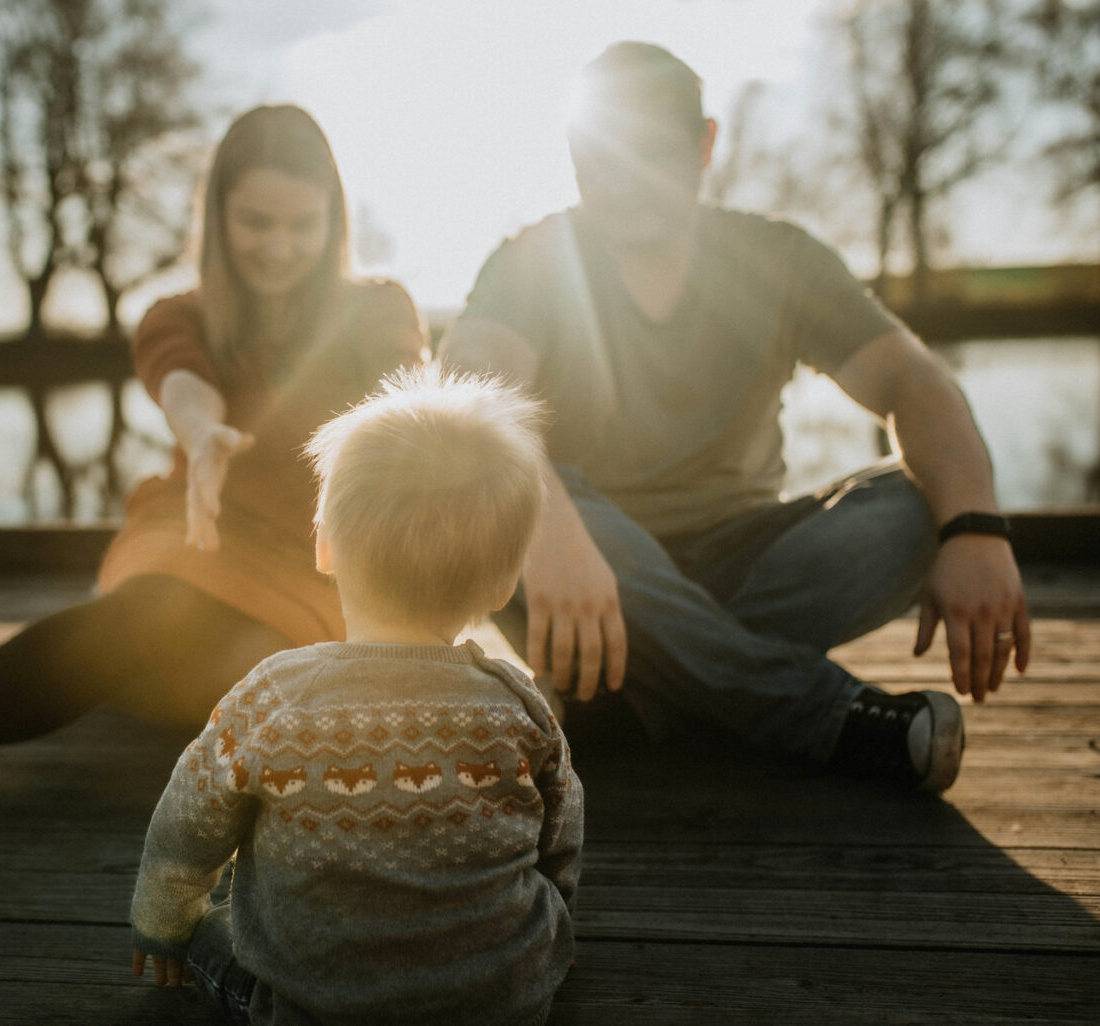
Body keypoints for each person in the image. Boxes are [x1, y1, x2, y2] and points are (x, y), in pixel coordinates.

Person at [0, 104, 426, 867]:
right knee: (160, 611)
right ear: (218, 217)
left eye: (302, 224)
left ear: (335, 219)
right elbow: (181, 380)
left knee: (244, 669)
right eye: (256, 222)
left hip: (313, 559)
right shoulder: (181, 313)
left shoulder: (378, 307)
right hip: (196, 533)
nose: (279, 246)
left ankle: (120, 673)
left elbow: (402, 402)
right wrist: (203, 433)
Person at [439, 42, 1032, 793]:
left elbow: (913, 380)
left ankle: (646, 696)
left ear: (705, 144)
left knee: (917, 505)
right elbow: (468, 394)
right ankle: (826, 716)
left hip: (748, 553)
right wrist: (548, 527)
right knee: (514, 488)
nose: (624, 178)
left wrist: (976, 530)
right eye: (602, 155)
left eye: (651, 151)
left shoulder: (777, 257)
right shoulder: (531, 262)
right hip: (583, 564)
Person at [129, 369, 582, 1026]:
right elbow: (562, 837)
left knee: (210, 932)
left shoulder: (272, 697)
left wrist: (163, 923)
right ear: (503, 585)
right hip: (503, 1004)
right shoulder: (520, 708)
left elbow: (188, 823)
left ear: (325, 547)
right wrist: (547, 923)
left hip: (310, 1010)